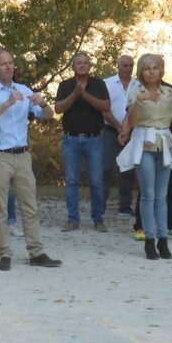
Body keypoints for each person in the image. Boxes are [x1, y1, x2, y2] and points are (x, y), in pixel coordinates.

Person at [0, 47, 62, 271]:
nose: (9, 67)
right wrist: (7, 104)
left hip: (22, 155)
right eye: (3, 64)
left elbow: (49, 116)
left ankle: (37, 251)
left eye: (11, 63)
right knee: (0, 207)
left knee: (29, 206)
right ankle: (4, 253)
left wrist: (42, 103)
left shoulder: (23, 89)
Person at [116, 54, 172, 259]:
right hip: (144, 141)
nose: (151, 71)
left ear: (161, 70)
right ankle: (150, 240)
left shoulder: (168, 92)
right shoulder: (136, 91)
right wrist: (139, 103)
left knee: (162, 195)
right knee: (148, 194)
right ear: (141, 71)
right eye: (147, 68)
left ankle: (164, 240)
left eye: (155, 68)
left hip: (164, 142)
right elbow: (131, 119)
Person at [55, 52, 110, 232]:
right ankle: (72, 219)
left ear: (90, 66)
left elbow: (106, 107)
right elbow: (58, 108)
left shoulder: (99, 84)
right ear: (73, 66)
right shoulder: (65, 85)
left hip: (94, 139)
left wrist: (85, 95)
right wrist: (75, 94)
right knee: (71, 181)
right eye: (78, 63)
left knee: (96, 182)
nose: (82, 65)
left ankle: (98, 219)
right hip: (71, 139)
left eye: (85, 63)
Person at [102, 55, 136, 215]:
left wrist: (127, 129)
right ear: (118, 66)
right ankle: (100, 206)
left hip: (132, 132)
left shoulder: (138, 85)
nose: (128, 68)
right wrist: (118, 126)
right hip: (110, 130)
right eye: (125, 65)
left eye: (130, 65)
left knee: (128, 169)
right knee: (106, 168)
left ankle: (125, 207)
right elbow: (104, 109)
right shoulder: (107, 84)